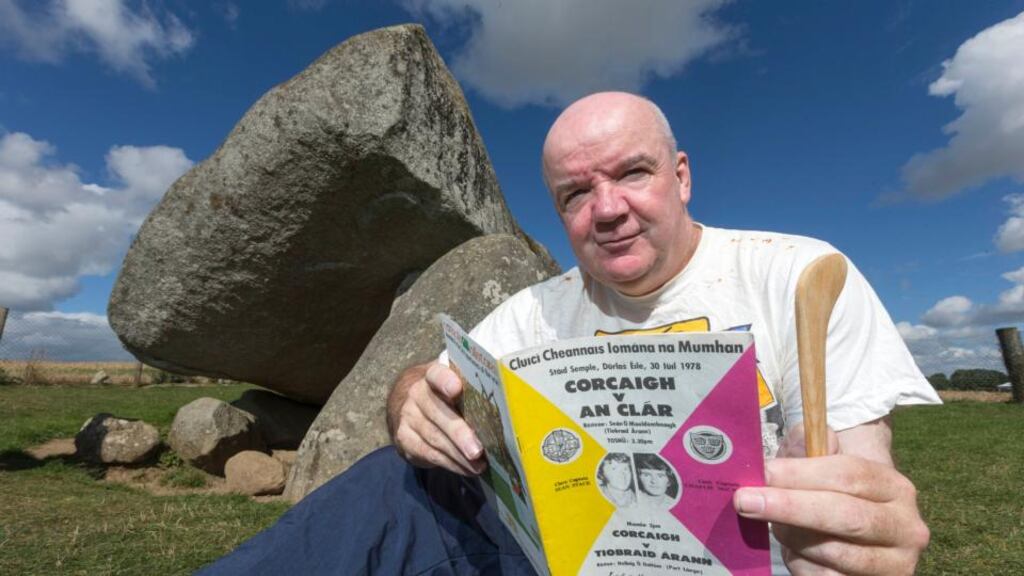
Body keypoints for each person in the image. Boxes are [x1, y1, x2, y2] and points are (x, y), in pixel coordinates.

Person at [199, 92, 940, 576]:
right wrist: (408, 403)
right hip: (549, 561)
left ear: (681, 177)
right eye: (576, 193)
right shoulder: (539, 308)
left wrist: (861, 527)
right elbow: (433, 381)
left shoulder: (800, 273)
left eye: (633, 174)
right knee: (394, 478)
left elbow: (855, 467)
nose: (606, 208)